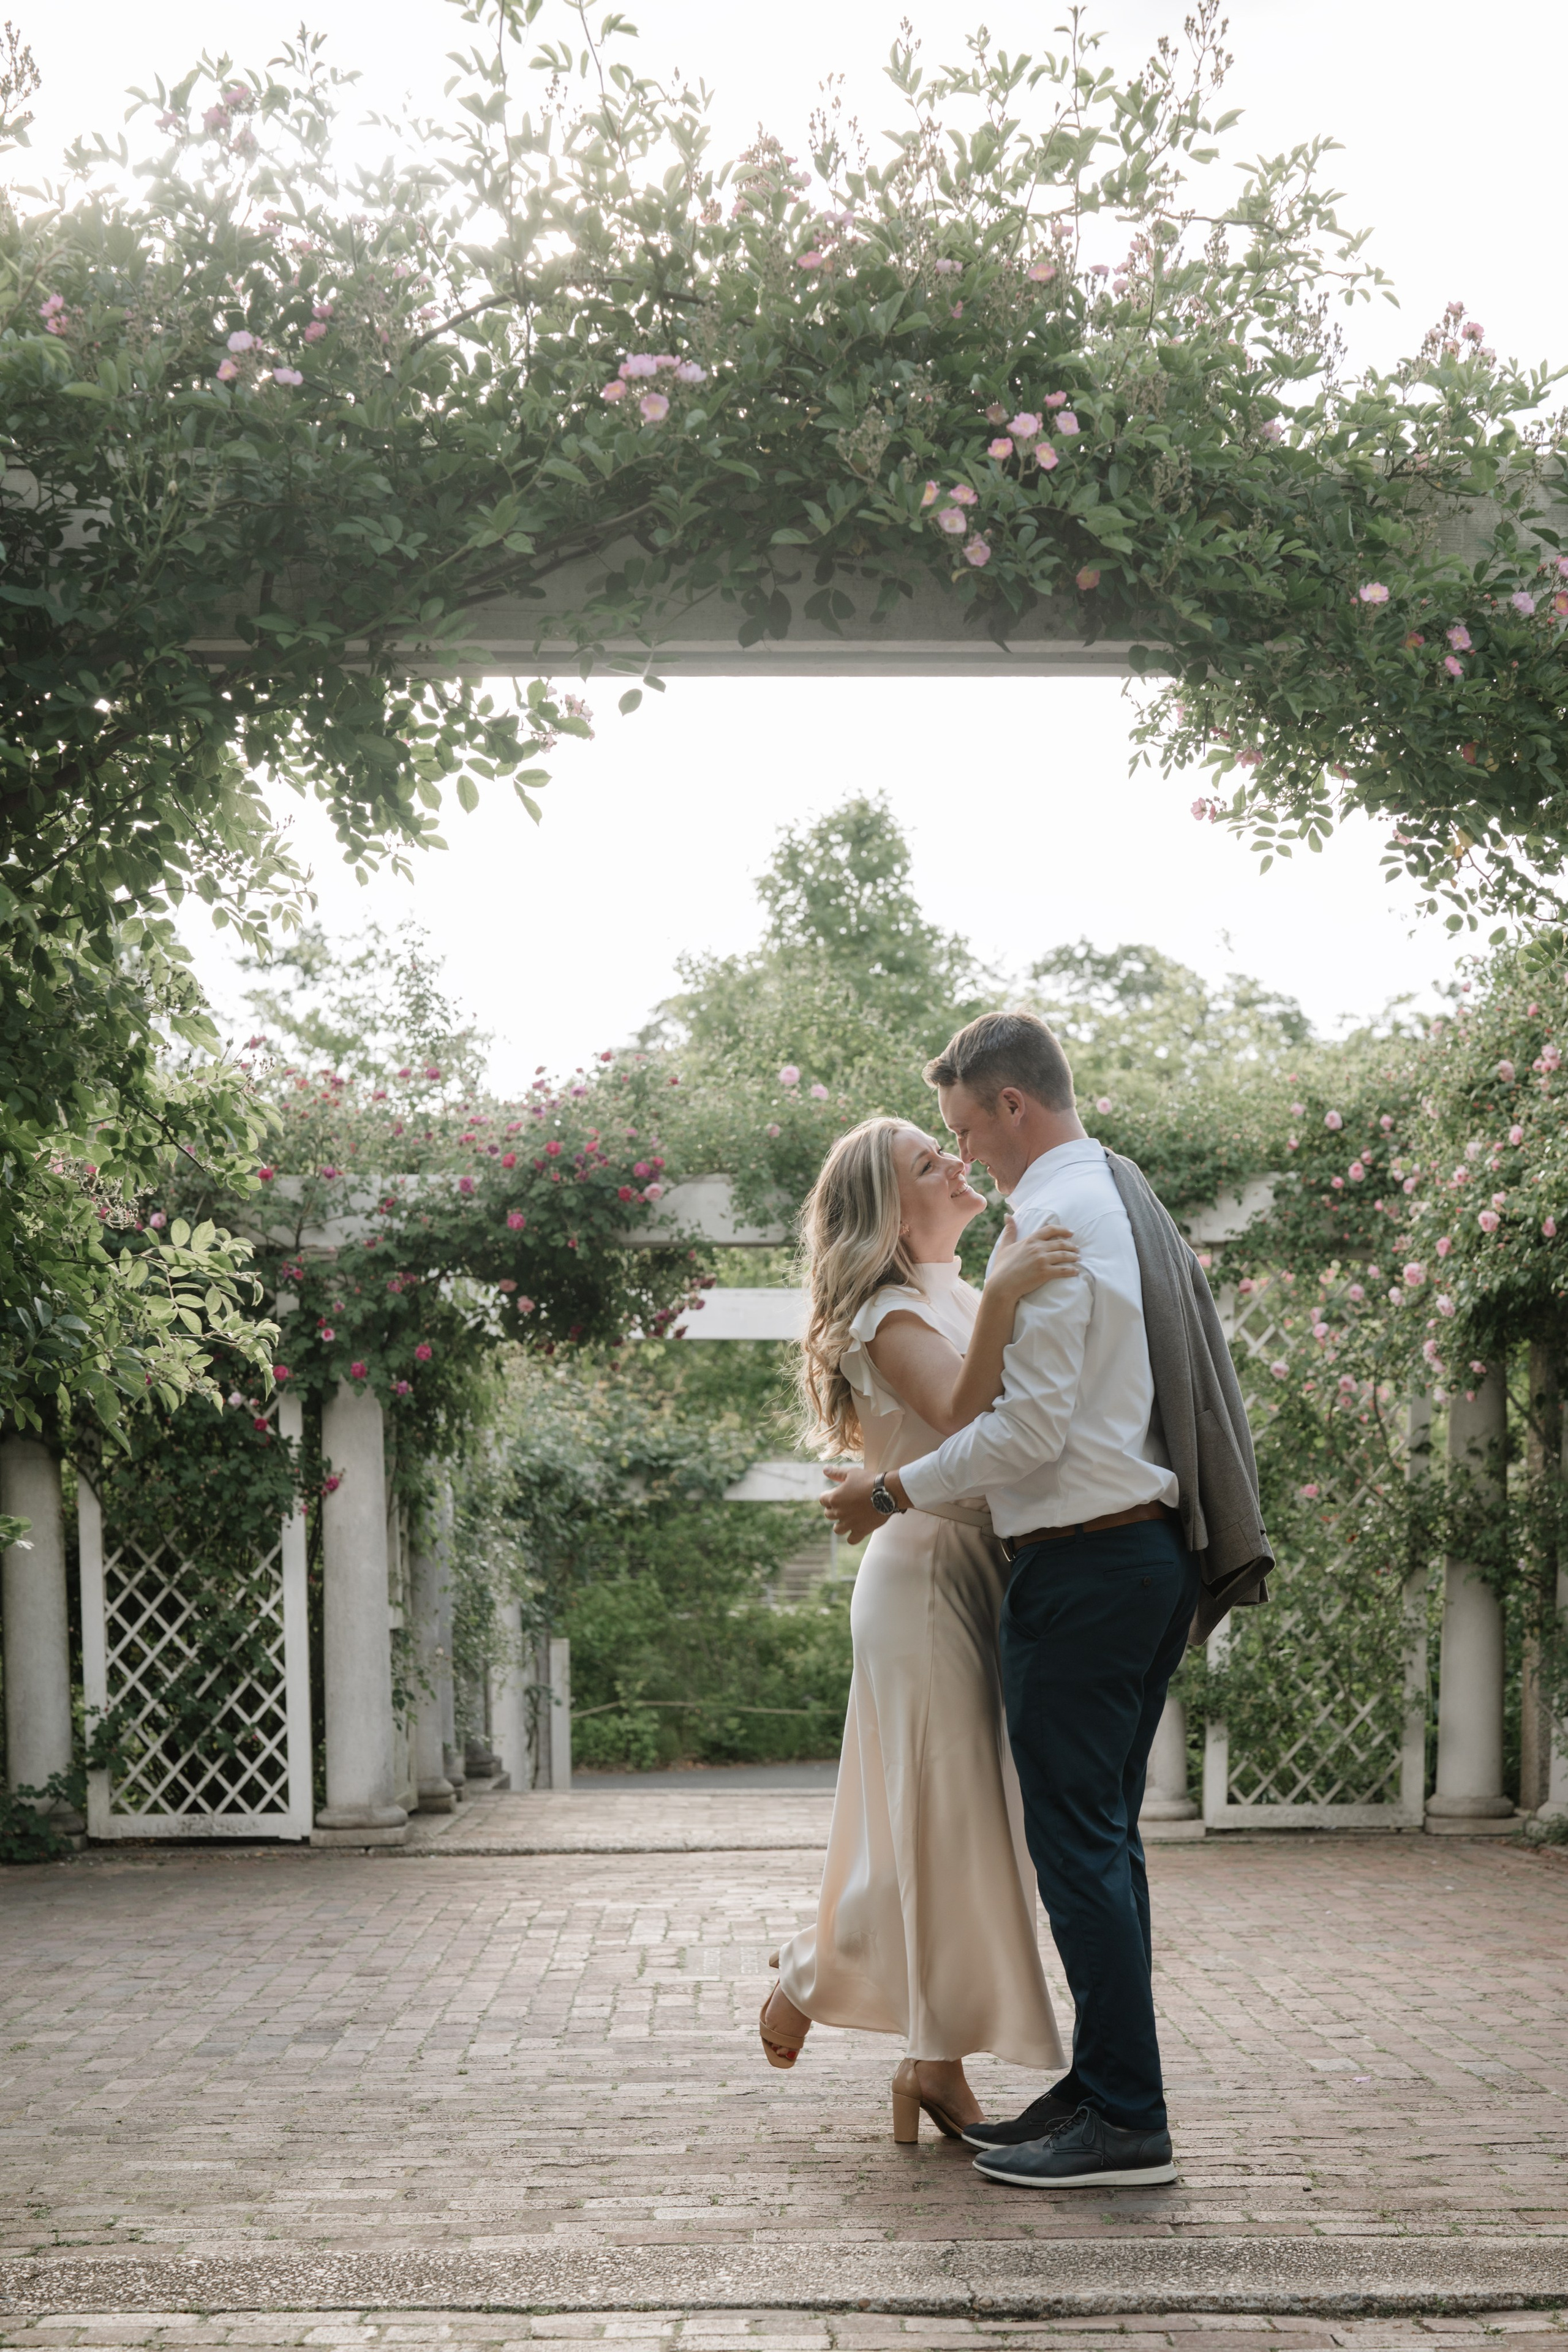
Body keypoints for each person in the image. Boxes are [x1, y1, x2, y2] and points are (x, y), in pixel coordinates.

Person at [823, 1011, 1270, 2193]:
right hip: (1121, 1559)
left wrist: (889, 1489)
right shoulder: (1110, 1197)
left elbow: (1024, 1430)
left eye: (967, 1126)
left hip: (1086, 1567)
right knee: (1100, 1847)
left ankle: (1126, 2119)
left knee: (1079, 1852)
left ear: (1010, 1106)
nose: (967, 1152)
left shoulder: (1058, 1214)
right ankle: (1104, 2087)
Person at [757, 1114, 1080, 2141]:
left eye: (943, 1149)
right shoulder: (891, 1308)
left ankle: (923, 2059)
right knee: (944, 1821)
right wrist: (1015, 1286)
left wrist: (1003, 1288)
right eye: (926, 1162)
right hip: (928, 1569)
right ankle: (843, 2000)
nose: (954, 1163)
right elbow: (958, 1409)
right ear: (892, 1213)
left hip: (973, 1567)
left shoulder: (949, 1290)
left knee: (949, 1823)